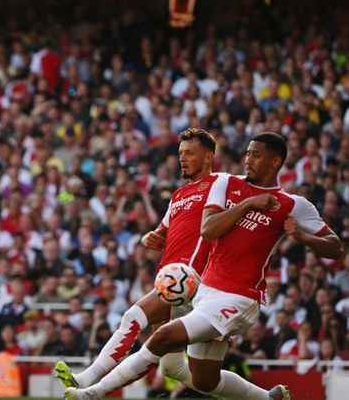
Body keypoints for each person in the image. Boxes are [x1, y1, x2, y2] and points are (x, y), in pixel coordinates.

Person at [65, 132, 344, 400]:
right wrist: (248, 204)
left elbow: (336, 248)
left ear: (275, 161)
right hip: (206, 293)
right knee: (204, 380)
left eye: (256, 156)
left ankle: (92, 392)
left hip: (240, 297)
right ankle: (267, 398)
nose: (248, 160)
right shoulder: (225, 183)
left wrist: (302, 236)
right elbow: (208, 229)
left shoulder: (293, 204)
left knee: (162, 336)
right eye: (247, 154)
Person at [56, 128, 219, 391]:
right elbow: (163, 232)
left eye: (189, 153)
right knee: (173, 367)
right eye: (180, 153)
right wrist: (149, 238)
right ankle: (262, 397)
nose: (182, 158)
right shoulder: (178, 195)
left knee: (133, 317)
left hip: (191, 278)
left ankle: (87, 380)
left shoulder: (221, 185)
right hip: (168, 274)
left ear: (209, 156)